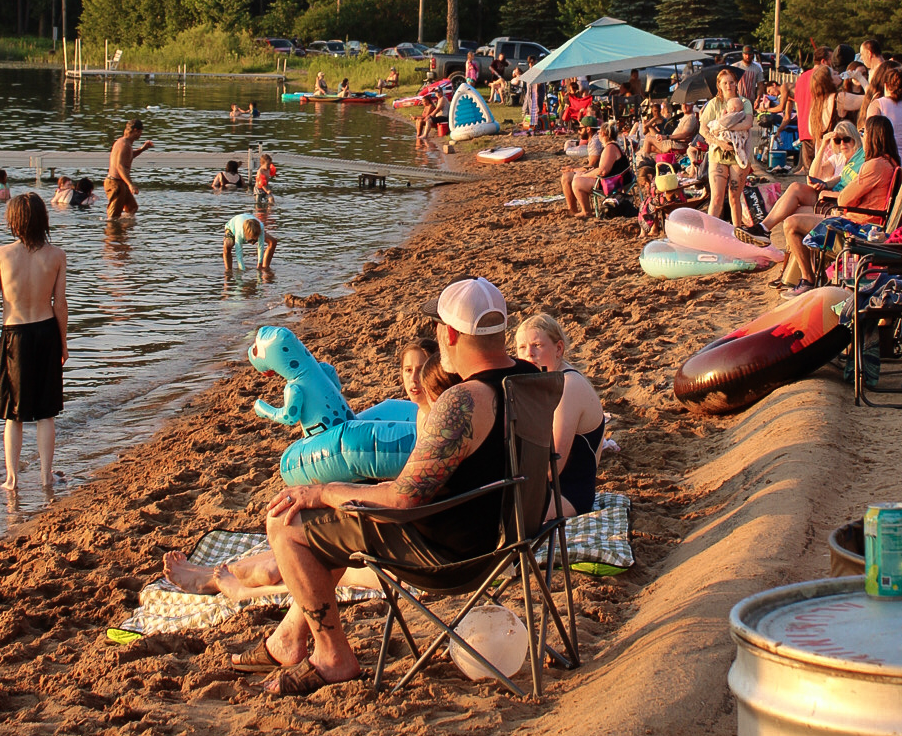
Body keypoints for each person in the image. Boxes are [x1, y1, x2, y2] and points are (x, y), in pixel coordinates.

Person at [233, 276, 535, 696]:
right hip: (515, 536)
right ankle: (288, 638)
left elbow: (402, 497)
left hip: (449, 553)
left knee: (288, 522)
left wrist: (322, 492)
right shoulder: (536, 380)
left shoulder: (464, 400)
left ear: (448, 334)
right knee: (339, 519)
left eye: (437, 329)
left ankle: (332, 655)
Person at [163, 336, 452, 600]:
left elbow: (404, 495)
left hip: (413, 554)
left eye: (422, 369)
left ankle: (231, 584)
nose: (414, 379)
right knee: (316, 542)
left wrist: (329, 492)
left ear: (437, 372)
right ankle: (230, 569)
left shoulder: (437, 428)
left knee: (322, 560)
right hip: (415, 538)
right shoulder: (420, 419)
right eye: (407, 370)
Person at [0, 192, 68, 492]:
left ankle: (12, 479)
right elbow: (60, 305)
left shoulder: (1, 254)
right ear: (43, 220)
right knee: (46, 412)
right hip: (46, 332)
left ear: (14, 221)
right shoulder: (56, 255)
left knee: (12, 413)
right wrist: (64, 342)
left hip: (14, 333)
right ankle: (45, 476)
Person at [775, 117, 902, 294]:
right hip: (862, 220)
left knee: (791, 224)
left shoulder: (874, 165)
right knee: (796, 213)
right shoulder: (890, 162)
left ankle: (808, 280)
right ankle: (807, 277)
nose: (862, 137)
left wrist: (841, 194)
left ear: (873, 136)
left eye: (864, 133)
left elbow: (843, 200)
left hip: (857, 227)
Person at [514, 312, 603, 518]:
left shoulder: (568, 387)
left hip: (568, 494)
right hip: (551, 488)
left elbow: (552, 467)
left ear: (559, 348)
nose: (529, 353)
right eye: (522, 347)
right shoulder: (546, 382)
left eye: (537, 345)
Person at [700, 67, 752, 226]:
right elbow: (703, 128)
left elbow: (748, 123)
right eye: (725, 83)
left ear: (736, 83)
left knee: (734, 196)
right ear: (720, 85)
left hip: (739, 153)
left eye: (731, 82)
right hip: (718, 153)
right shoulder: (714, 104)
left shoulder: (744, 102)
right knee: (716, 197)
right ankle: (710, 231)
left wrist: (724, 128)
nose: (729, 86)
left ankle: (737, 230)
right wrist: (719, 141)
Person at [561, 120, 626, 218]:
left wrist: (584, 174)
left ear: (603, 134)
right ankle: (578, 210)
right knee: (578, 177)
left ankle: (586, 212)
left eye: (599, 133)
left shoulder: (610, 148)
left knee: (577, 182)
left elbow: (602, 171)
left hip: (612, 182)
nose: (598, 134)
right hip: (615, 178)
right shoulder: (612, 146)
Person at [105, 118, 153, 220]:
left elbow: (128, 156)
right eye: (140, 132)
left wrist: (142, 149)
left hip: (121, 182)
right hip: (115, 183)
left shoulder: (127, 144)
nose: (141, 135)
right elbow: (120, 166)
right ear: (135, 130)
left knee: (132, 208)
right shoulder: (123, 144)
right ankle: (112, 233)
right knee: (113, 217)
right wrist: (130, 184)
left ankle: (124, 231)